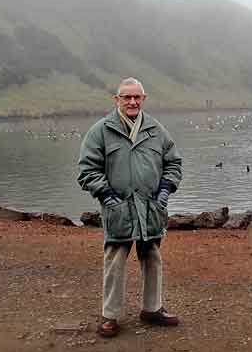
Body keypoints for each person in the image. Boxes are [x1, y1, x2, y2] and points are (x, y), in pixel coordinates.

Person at [77, 77, 182, 338]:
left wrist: (165, 190)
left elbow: (173, 163)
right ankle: (110, 316)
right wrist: (106, 193)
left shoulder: (157, 130)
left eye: (137, 97)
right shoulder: (100, 131)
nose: (132, 102)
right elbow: (87, 169)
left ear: (144, 99)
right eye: (127, 97)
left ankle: (152, 309)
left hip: (151, 207)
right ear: (117, 100)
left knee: (152, 257)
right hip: (118, 208)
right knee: (114, 260)